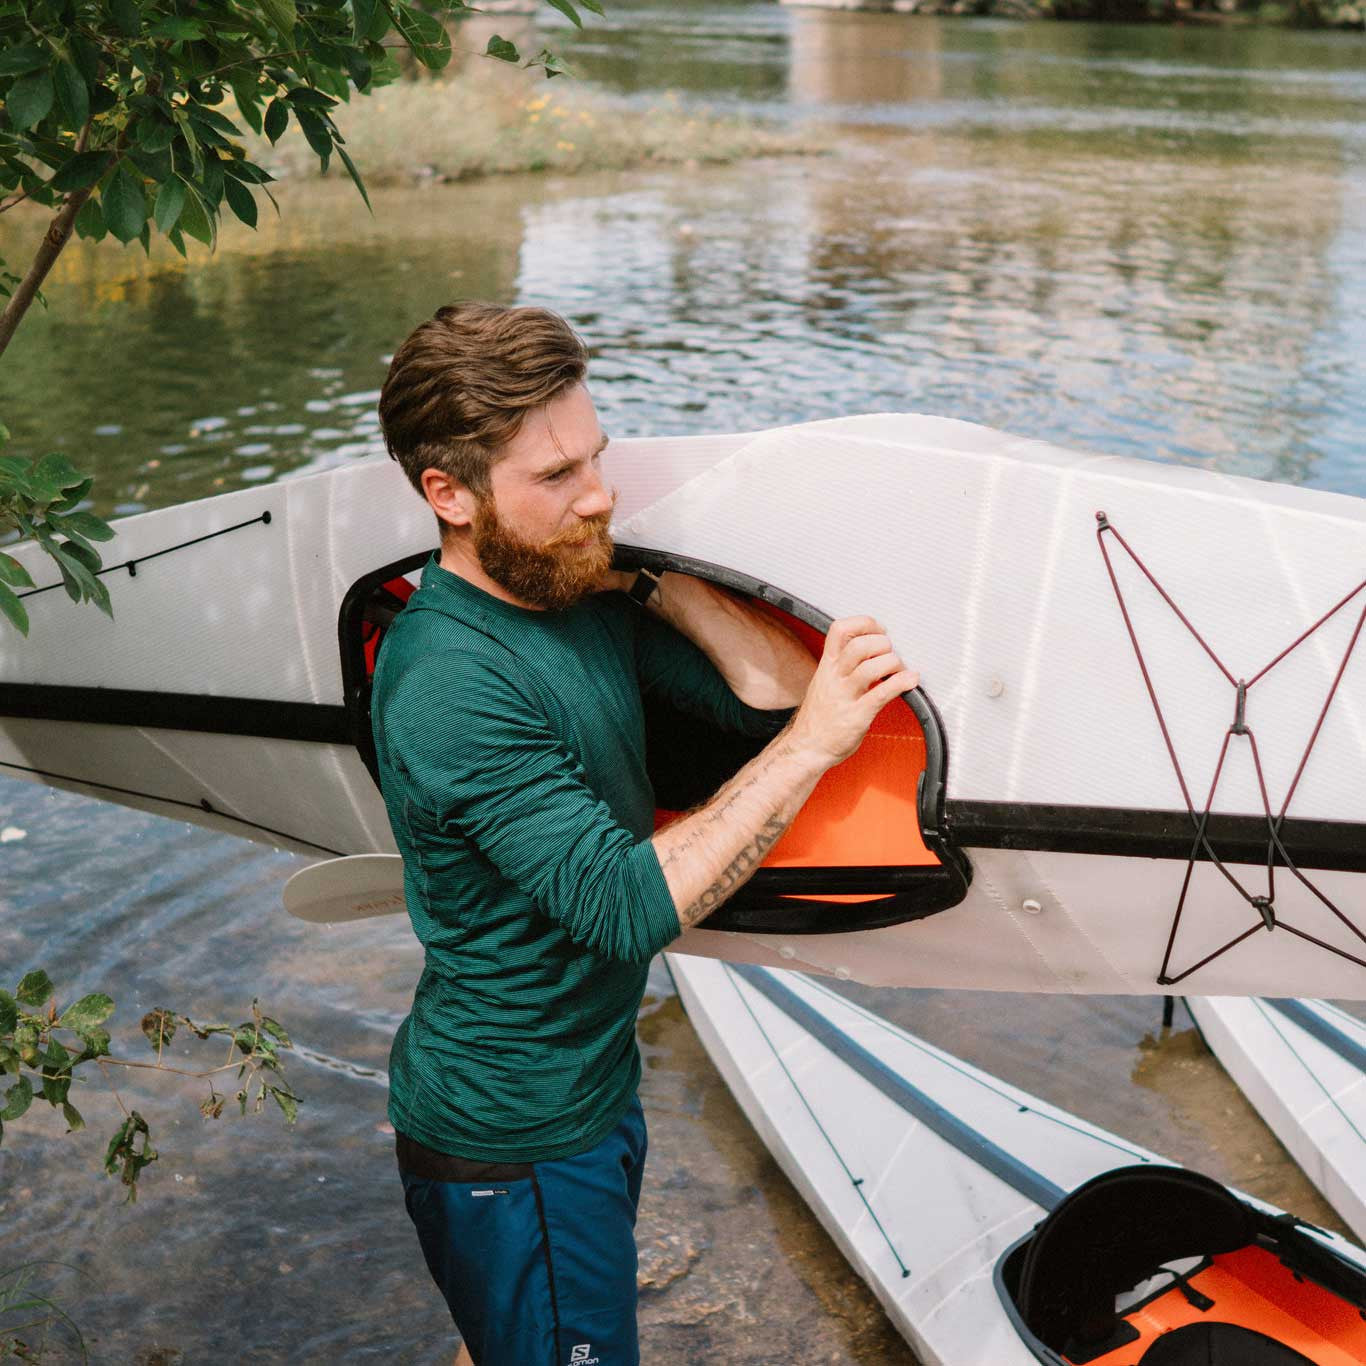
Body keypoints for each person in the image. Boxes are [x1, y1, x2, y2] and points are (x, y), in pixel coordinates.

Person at [373, 301, 917, 1366]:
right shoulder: (447, 681)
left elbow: (780, 695)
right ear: (448, 494)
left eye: (596, 457)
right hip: (513, 1132)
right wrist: (810, 751)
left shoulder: (574, 593)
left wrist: (650, 581)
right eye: (555, 477)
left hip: (589, 1090)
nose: (599, 495)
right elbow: (627, 905)